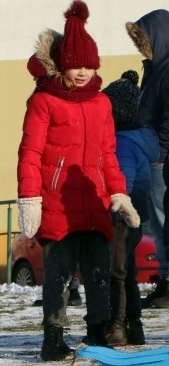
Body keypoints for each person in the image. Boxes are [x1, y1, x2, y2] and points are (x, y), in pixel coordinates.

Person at [16, 1, 140, 361]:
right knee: (57, 275)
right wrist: (29, 198)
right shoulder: (44, 102)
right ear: (62, 65)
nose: (83, 72)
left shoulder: (102, 104)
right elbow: (30, 154)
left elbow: (108, 154)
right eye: (75, 65)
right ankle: (53, 336)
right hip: (57, 204)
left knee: (100, 273)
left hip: (95, 202)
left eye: (89, 65)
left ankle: (98, 332)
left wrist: (119, 192)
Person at [102, 71, 160, 345]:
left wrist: (113, 210)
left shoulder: (123, 142)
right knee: (128, 272)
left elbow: (121, 185)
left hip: (122, 216)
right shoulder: (141, 137)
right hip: (137, 215)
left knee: (116, 273)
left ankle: (116, 326)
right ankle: (134, 326)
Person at [126, 10, 169, 308]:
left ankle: (167, 281)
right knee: (156, 222)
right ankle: (164, 279)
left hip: (161, 160)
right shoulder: (154, 68)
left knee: (163, 221)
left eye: (145, 41)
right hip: (152, 156)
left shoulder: (165, 71)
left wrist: (160, 154)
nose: (143, 48)